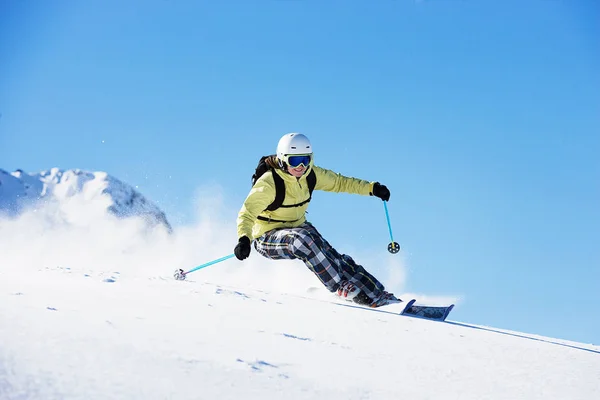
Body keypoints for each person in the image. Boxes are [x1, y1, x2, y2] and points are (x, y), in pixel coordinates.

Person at [234, 132, 400, 308]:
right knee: (302, 241)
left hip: (299, 227)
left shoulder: (311, 175)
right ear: (283, 160)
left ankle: (377, 294)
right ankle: (339, 287)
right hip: (266, 237)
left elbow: (340, 182)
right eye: (294, 161)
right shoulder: (269, 183)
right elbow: (247, 213)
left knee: (334, 258)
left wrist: (372, 188)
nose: (301, 167)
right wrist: (244, 239)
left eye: (305, 160)